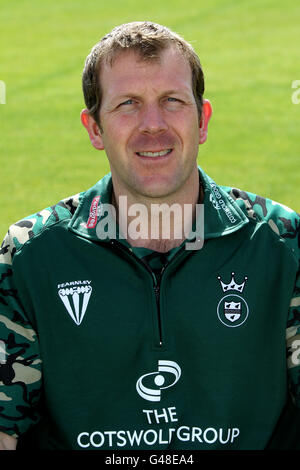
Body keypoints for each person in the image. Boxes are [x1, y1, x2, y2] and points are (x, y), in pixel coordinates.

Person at [0, 21, 299, 451]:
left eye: (172, 101)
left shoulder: (282, 243)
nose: (152, 125)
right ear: (94, 129)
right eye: (128, 104)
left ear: (202, 121)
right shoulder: (30, 255)